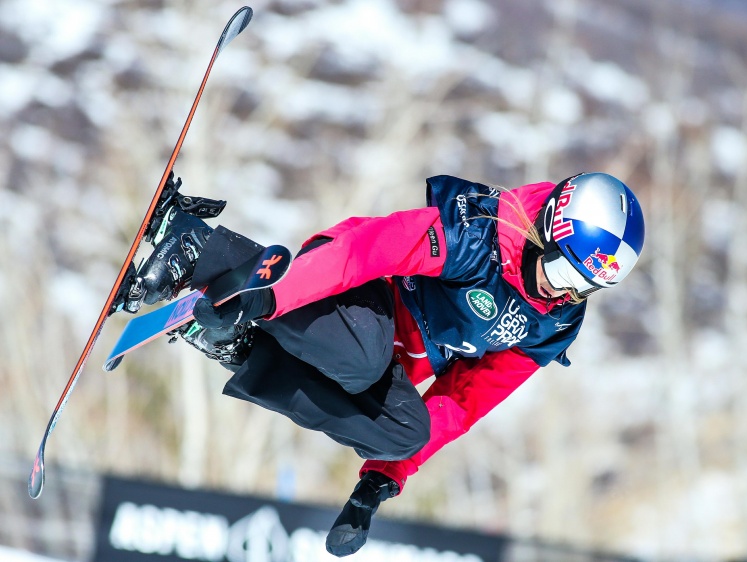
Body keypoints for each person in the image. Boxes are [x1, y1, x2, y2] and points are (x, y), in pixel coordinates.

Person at [129, 171, 645, 556]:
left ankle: (236, 348)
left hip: (381, 359)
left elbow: (465, 401)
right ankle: (201, 248)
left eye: (584, 286)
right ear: (547, 232)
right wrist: (270, 296)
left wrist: (380, 481)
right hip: (346, 290)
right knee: (361, 360)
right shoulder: (478, 235)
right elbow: (365, 251)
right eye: (562, 269)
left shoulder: (552, 322)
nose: (563, 289)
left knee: (404, 431)